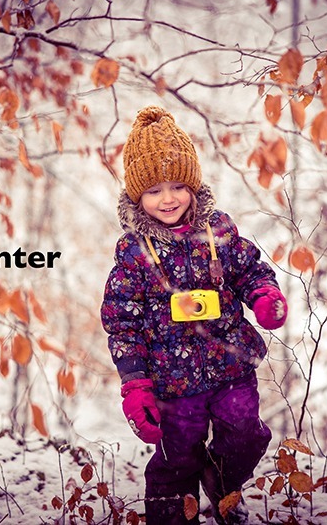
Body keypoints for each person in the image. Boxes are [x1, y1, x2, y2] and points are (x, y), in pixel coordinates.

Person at [100, 106, 288, 525]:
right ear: (136, 197)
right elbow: (122, 323)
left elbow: (249, 269)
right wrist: (136, 386)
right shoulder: (134, 253)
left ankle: (221, 487)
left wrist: (263, 297)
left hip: (230, 366)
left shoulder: (218, 231)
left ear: (193, 186)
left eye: (177, 186)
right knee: (175, 459)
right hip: (171, 384)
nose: (168, 199)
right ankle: (172, 516)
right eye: (153, 191)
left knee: (246, 435)